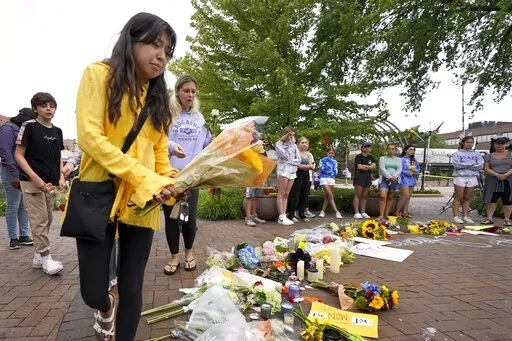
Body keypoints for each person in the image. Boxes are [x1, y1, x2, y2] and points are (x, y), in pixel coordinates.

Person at [71, 13, 183, 341]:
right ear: (131, 41)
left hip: (141, 205)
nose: (162, 55)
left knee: (133, 286)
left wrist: (173, 185)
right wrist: (144, 177)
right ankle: (104, 308)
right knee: (92, 290)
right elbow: (90, 137)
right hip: (97, 196)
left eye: (168, 50)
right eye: (154, 44)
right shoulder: (99, 75)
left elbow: (161, 158)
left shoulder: (160, 100)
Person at [163, 74, 211, 275]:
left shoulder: (199, 118)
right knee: (172, 218)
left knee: (189, 218)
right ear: (177, 92)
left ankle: (189, 254)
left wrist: (214, 143)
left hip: (192, 176)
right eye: (186, 91)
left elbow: (204, 145)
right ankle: (174, 257)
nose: (190, 95)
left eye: (193, 91)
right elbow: (158, 140)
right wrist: (172, 147)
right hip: (170, 175)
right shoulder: (167, 115)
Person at [15, 93, 66, 276]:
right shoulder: (28, 127)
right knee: (39, 220)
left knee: (48, 220)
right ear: (35, 109)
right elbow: (18, 155)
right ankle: (46, 258)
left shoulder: (57, 131)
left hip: (50, 184)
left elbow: (59, 156)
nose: (48, 109)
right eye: (44, 105)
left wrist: (61, 176)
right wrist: (35, 178)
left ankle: (38, 256)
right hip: (31, 183)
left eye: (52, 105)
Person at [62, 147, 119, 291]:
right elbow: (83, 146)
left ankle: (112, 276)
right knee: (102, 233)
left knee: (115, 235)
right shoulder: (91, 127)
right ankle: (106, 278)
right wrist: (71, 163)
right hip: (94, 187)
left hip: (121, 186)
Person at [0, 108, 35, 250]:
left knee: (23, 204)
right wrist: (14, 174)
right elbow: (5, 152)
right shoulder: (7, 129)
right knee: (12, 204)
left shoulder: (19, 128)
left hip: (22, 171)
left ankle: (24, 235)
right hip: (11, 171)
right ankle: (13, 238)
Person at [451, 136, 484, 224]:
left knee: (467, 197)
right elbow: (456, 165)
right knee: (458, 196)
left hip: (472, 177)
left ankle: (465, 216)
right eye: (467, 142)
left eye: (471, 142)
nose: (469, 144)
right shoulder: (457, 154)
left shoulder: (476, 154)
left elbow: (480, 165)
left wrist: (465, 165)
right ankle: (456, 216)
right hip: (460, 177)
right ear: (463, 143)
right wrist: (471, 165)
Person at [481, 136, 512, 225]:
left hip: (508, 180)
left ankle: (507, 219)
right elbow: (486, 168)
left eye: (502, 144)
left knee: (508, 200)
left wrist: (506, 175)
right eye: (498, 144)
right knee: (491, 199)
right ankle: (489, 218)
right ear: (494, 145)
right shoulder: (488, 156)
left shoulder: (511, 154)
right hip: (492, 180)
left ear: (506, 144)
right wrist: (497, 175)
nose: (500, 146)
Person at [275, 126, 300, 225]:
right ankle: (281, 216)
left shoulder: (294, 145)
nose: (292, 137)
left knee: (286, 194)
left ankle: (284, 214)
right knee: (281, 193)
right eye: (290, 135)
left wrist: (291, 161)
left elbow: (298, 160)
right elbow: (284, 156)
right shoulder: (279, 144)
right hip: (283, 170)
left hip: (292, 171)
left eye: (293, 135)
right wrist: (291, 160)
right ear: (286, 134)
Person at [287, 137, 314, 222]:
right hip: (296, 174)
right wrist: (307, 166)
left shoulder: (309, 154)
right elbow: (297, 165)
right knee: (295, 194)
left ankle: (302, 214)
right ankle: (291, 214)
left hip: (306, 175)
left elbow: (312, 166)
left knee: (304, 194)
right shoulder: (296, 153)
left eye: (306, 142)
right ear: (298, 144)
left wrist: (305, 166)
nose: (304, 144)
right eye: (302, 142)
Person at [244, 134, 266, 227]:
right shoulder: (247, 150)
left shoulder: (260, 151)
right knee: (249, 196)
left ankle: (254, 215)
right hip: (250, 175)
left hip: (259, 175)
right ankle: (248, 217)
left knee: (256, 196)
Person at [394, 144, 420, 217]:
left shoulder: (414, 160)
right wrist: (408, 173)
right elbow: (398, 170)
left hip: (412, 180)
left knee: (408, 197)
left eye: (414, 150)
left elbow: (418, 169)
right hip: (404, 179)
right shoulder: (400, 159)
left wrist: (415, 171)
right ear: (405, 150)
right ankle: (397, 212)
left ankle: (405, 212)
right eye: (410, 149)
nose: (412, 151)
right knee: (405, 196)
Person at [377, 143, 402, 220]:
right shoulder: (382, 158)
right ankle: (381, 215)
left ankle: (386, 214)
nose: (391, 150)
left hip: (395, 180)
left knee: (390, 197)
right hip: (384, 179)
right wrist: (389, 177)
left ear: (395, 150)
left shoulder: (398, 159)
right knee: (383, 196)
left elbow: (399, 169)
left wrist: (394, 177)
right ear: (387, 149)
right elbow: (382, 168)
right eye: (389, 148)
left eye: (393, 149)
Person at [353, 142, 376, 219]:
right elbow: (360, 167)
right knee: (358, 194)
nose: (367, 148)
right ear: (362, 148)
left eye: (368, 147)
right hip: (360, 176)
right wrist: (368, 167)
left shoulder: (371, 157)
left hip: (368, 176)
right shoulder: (358, 157)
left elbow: (374, 167)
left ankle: (363, 211)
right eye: (365, 147)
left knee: (365, 195)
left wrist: (365, 166)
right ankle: (356, 212)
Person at [318, 148, 342, 219]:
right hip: (323, 178)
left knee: (327, 196)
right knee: (330, 195)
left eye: (332, 153)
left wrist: (328, 171)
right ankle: (336, 211)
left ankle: (322, 211)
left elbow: (335, 171)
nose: (331, 154)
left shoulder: (335, 161)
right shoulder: (322, 160)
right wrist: (329, 171)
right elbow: (321, 168)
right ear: (327, 153)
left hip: (331, 179)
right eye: (329, 153)